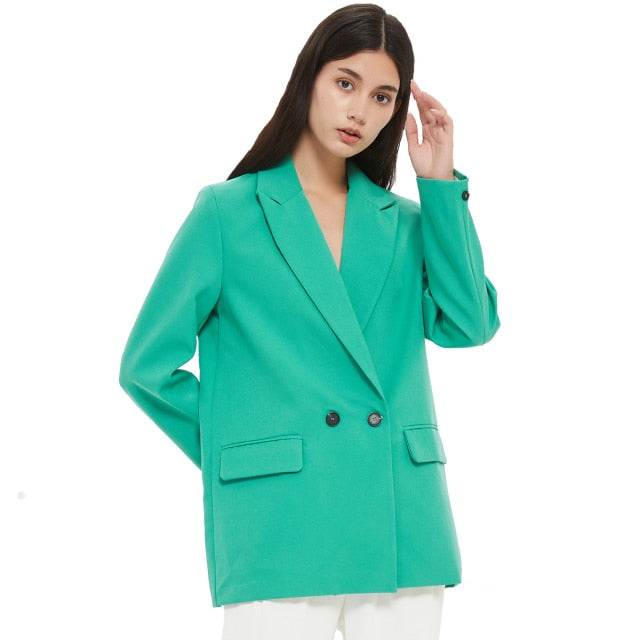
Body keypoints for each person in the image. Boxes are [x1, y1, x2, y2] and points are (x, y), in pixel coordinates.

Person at [119, 4, 500, 639]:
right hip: (280, 520)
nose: (360, 112)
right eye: (346, 83)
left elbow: (470, 324)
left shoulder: (406, 223)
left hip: (401, 520)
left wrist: (439, 186)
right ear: (309, 78)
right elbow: (145, 367)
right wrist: (246, 455)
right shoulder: (227, 213)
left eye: (382, 97)